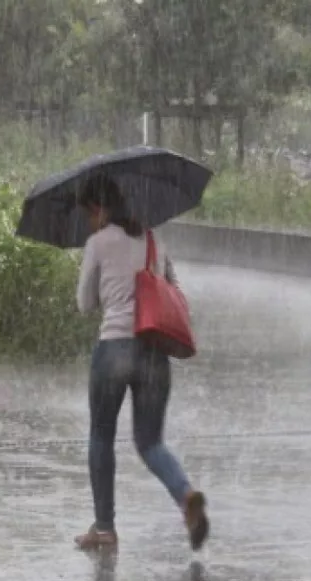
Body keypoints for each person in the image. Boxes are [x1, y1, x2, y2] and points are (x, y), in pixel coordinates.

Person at [73, 174, 209, 552]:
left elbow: (84, 304)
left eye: (88, 214)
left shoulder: (98, 243)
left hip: (114, 349)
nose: (88, 222)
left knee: (101, 437)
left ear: (98, 209)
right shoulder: (153, 240)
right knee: (150, 442)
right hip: (153, 353)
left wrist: (107, 287)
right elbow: (173, 290)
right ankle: (186, 497)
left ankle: (104, 529)